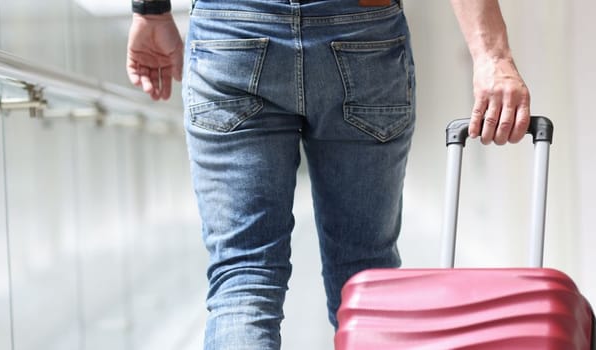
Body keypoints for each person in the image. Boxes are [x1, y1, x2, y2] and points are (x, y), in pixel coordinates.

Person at [126, 0, 530, 348]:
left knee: (244, 276)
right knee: (365, 273)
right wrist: (492, 57)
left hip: (232, 28)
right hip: (361, 30)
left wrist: (151, 11)